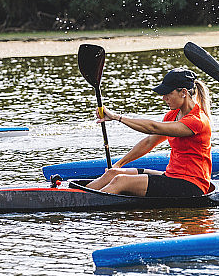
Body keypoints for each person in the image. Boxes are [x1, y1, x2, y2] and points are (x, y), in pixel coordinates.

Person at [85, 68, 212, 197]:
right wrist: (118, 165)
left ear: (183, 92)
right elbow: (148, 142)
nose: (164, 98)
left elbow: (153, 127)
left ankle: (86, 208)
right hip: (172, 176)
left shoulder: (197, 120)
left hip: (191, 185)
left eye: (167, 93)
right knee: (113, 174)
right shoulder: (172, 115)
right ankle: (77, 194)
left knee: (120, 181)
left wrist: (117, 117)